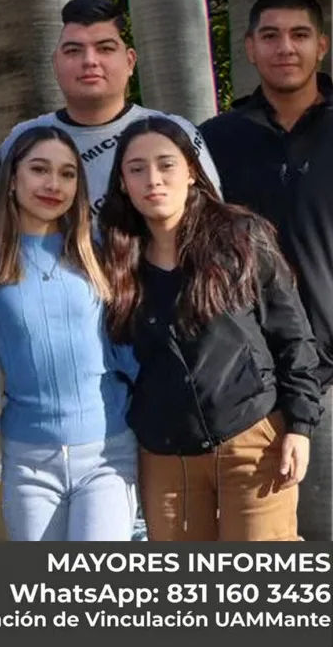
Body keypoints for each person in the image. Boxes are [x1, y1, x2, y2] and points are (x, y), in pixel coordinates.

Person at [100, 116, 323, 541]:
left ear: (191, 172)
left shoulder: (241, 236)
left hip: (253, 440)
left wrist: (299, 426)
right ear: (123, 183)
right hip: (166, 458)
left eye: (167, 164)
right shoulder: (115, 260)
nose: (154, 179)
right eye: (136, 169)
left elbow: (291, 334)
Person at [200, 0, 333, 541]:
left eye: (300, 35)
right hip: (253, 383)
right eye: (271, 36)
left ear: (321, 46)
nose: (286, 48)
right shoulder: (214, 142)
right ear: (250, 48)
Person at [0, 126, 135, 540]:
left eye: (67, 174)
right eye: (39, 170)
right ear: (13, 180)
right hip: (27, 461)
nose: (53, 184)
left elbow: (134, 353)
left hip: (108, 453)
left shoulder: (102, 252)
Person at [0, 0, 221, 222]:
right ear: (56, 64)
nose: (90, 61)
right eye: (74, 51)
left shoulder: (174, 133)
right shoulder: (22, 140)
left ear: (130, 61)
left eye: (105, 48)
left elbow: (211, 224)